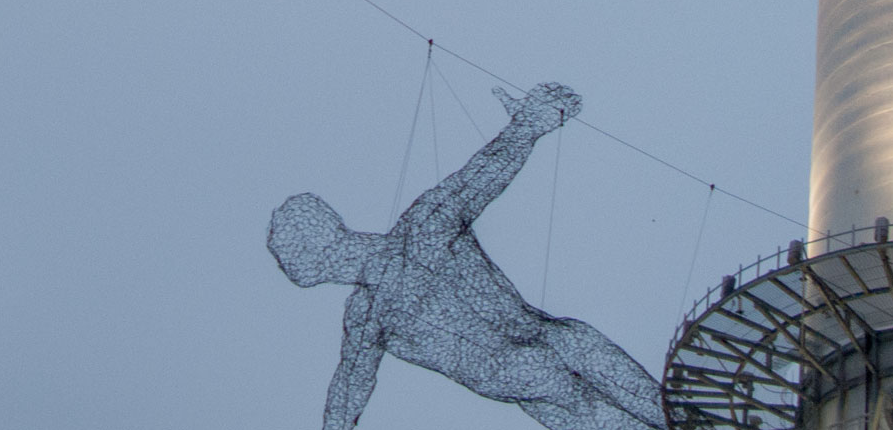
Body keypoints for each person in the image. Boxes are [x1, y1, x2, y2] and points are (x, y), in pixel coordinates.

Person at [268, 83, 666, 430]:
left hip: (519, 377)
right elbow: (480, 177)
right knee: (674, 415)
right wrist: (529, 123)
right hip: (560, 339)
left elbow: (346, 395)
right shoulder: (421, 229)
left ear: (317, 253)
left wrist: (528, 125)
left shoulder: (367, 313)